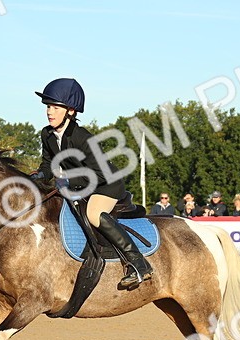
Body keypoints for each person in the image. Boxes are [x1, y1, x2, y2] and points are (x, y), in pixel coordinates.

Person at [32, 78, 152, 290]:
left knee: (93, 214)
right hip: (77, 186)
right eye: (48, 106)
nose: (49, 111)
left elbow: (100, 173)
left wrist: (68, 179)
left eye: (55, 107)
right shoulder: (47, 134)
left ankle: (139, 264)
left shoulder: (83, 138)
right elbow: (49, 163)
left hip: (106, 184)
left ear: (70, 111)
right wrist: (39, 176)